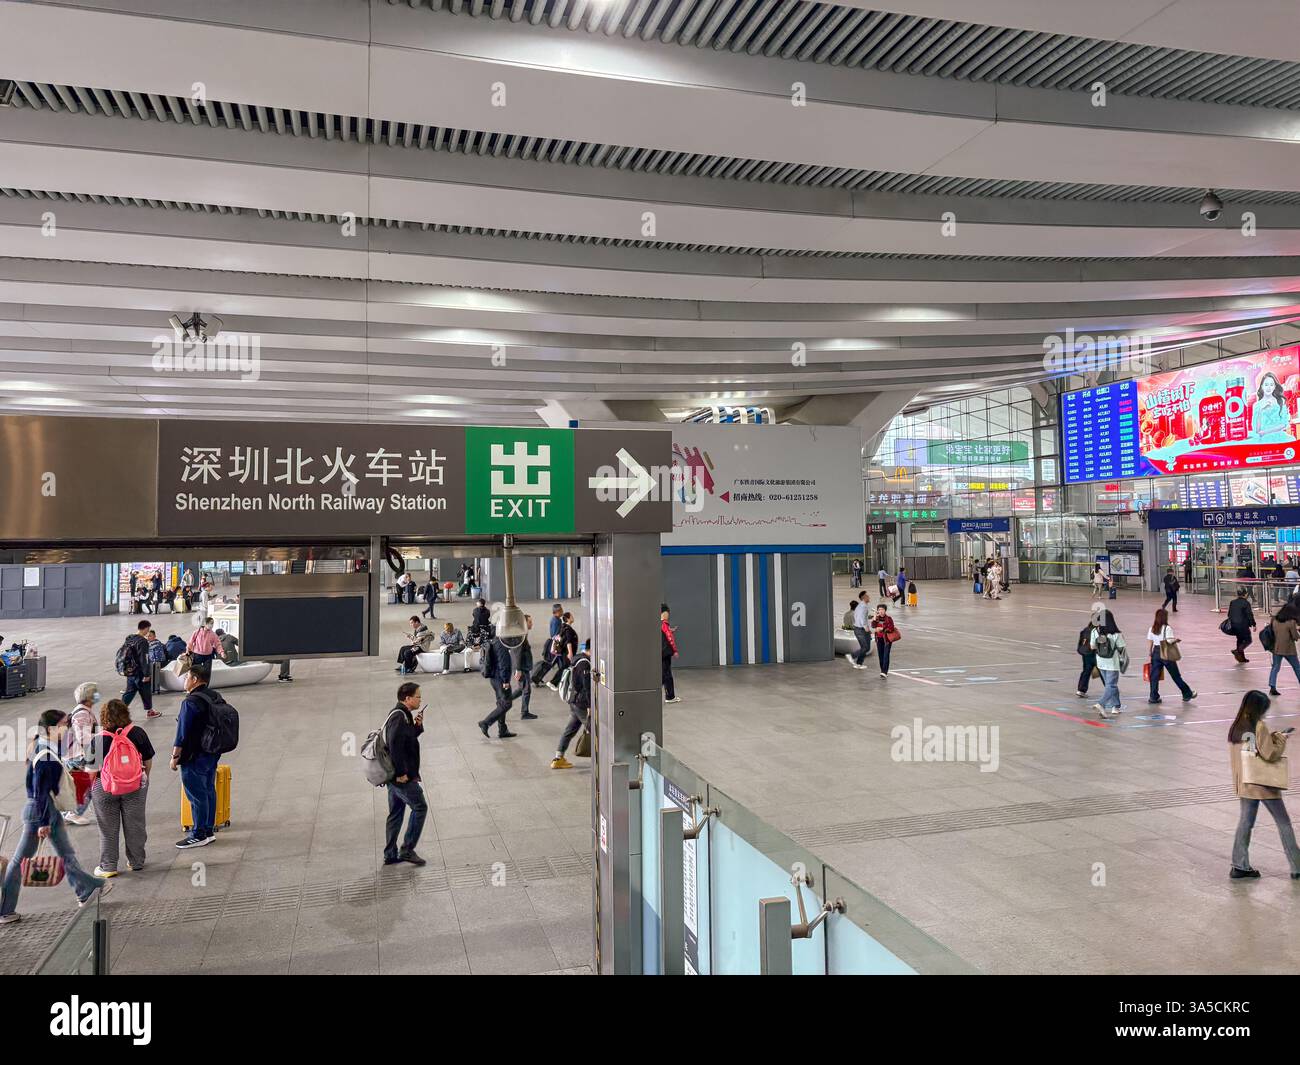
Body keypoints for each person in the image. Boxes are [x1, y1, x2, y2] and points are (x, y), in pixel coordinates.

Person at [0, 710, 111, 925]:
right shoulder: (46, 755)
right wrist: (43, 822)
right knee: (21, 860)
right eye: (62, 724)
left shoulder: (44, 745)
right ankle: (5, 910)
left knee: (65, 854)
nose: (66, 728)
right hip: (40, 813)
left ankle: (87, 890)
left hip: (43, 811)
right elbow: (40, 791)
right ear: (51, 728)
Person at [1227, 690, 1300, 880]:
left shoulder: (1236, 727)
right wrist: (1281, 739)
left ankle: (1239, 865)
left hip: (1246, 783)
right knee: (1283, 823)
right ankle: (1297, 865)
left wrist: (1271, 736)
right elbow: (1269, 754)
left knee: (1245, 823)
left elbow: (1250, 751)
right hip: (1264, 784)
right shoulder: (1258, 726)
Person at [89, 698, 155, 878]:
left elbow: (92, 770)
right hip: (134, 786)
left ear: (103, 717)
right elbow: (147, 760)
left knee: (107, 828)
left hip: (106, 788)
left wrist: (94, 787)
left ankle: (108, 866)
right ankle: (136, 862)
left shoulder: (99, 739)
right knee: (135, 824)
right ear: (126, 713)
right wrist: (144, 779)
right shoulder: (137, 733)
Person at [170, 659, 220, 849]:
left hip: (193, 755)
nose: (185, 680)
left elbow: (182, 733)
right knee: (208, 790)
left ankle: (198, 834)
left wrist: (175, 758)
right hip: (211, 752)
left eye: (187, 677)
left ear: (195, 679)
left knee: (196, 795)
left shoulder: (190, 702)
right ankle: (208, 831)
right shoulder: (214, 696)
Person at [383, 682, 428, 866]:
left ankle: (390, 854)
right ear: (407, 698)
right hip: (401, 776)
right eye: (418, 696)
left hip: (394, 776)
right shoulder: (399, 717)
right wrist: (401, 774)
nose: (420, 700)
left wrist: (417, 726)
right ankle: (407, 850)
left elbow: (405, 739)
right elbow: (394, 745)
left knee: (396, 812)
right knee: (420, 807)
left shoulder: (403, 714)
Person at [551, 639, 592, 770]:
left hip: (573, 701)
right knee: (595, 731)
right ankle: (602, 761)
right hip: (581, 704)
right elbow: (586, 687)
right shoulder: (585, 664)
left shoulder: (577, 658)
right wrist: (590, 706)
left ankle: (558, 758)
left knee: (570, 730)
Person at [63, 681, 100, 826]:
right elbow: (83, 738)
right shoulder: (83, 714)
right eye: (95, 693)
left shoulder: (82, 710)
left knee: (77, 786)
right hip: (80, 756)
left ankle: (67, 812)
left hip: (75, 754)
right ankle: (73, 812)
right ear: (89, 696)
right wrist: (101, 736)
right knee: (88, 786)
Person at [1145, 607, 1196, 705]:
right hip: (1166, 652)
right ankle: (1187, 693)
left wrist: (1150, 653)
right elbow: (1169, 641)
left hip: (1155, 652)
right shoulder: (1167, 628)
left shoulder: (1152, 628)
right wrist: (1176, 640)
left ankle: (1153, 697)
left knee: (1154, 676)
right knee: (1176, 675)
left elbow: (1150, 640)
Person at [476, 630, 520, 740]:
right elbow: (503, 663)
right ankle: (486, 722)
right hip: (500, 679)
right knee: (506, 704)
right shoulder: (501, 645)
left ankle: (502, 729)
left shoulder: (494, 641)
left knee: (501, 703)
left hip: (494, 678)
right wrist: (505, 681)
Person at [1090, 609, 1127, 719]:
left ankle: (1116, 706)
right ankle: (1101, 704)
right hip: (1112, 663)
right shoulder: (1116, 634)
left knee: (1109, 685)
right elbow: (1122, 648)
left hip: (1101, 661)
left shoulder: (1095, 631)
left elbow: (1092, 647)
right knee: (1111, 685)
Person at [120, 618, 159, 720]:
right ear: (145, 628)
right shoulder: (142, 642)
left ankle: (119, 711)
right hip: (140, 672)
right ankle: (150, 712)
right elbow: (144, 658)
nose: (148, 632)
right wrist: (147, 674)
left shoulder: (129, 638)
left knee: (129, 692)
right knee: (146, 691)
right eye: (148, 629)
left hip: (130, 670)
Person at [538, 612, 578, 690]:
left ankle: (560, 683)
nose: (573, 617)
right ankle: (553, 682)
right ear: (568, 619)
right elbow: (569, 641)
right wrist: (570, 653)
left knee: (564, 668)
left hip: (563, 652)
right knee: (564, 668)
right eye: (571, 616)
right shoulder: (568, 629)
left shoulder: (563, 627)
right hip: (566, 653)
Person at [1268, 599, 1300, 696]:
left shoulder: (1274, 620)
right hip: (1289, 649)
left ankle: (1272, 686)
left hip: (1276, 648)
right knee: (1297, 667)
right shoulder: (1291, 622)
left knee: (1275, 667)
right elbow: (1295, 637)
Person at [1075, 608, 1106, 699]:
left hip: (1086, 654)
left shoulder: (1086, 629)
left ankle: (1081, 690)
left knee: (1086, 671)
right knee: (1103, 671)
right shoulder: (1098, 631)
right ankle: (1110, 689)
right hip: (1095, 654)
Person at [531, 604, 564, 686]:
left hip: (555, 645)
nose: (562, 611)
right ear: (557, 612)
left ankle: (538, 678)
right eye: (561, 610)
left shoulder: (556, 619)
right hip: (555, 646)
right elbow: (555, 635)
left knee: (552, 664)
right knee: (549, 664)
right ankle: (536, 678)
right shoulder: (556, 621)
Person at [1227, 586, 1256, 663]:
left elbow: (1229, 614)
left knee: (1239, 640)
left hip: (1234, 625)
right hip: (1242, 625)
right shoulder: (1246, 603)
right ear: (1245, 594)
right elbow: (1249, 614)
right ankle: (1238, 650)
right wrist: (1253, 624)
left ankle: (1241, 658)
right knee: (1248, 640)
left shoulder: (1232, 602)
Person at [518, 614, 538, 720]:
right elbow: (518, 653)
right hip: (523, 667)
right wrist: (518, 669)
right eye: (530, 622)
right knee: (526, 690)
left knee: (522, 689)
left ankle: (505, 702)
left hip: (524, 667)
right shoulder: (522, 636)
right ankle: (524, 712)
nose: (532, 623)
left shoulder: (524, 634)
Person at [846, 591, 871, 670]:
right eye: (867, 596)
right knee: (865, 647)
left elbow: (860, 616)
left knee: (867, 648)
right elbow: (861, 618)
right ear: (864, 598)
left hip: (860, 629)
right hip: (860, 629)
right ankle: (852, 656)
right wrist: (865, 627)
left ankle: (858, 664)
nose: (869, 597)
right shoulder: (863, 606)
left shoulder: (861, 606)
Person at [870, 603, 897, 677]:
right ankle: (882, 670)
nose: (881, 611)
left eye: (882, 609)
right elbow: (873, 625)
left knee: (886, 655)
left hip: (887, 639)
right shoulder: (877, 618)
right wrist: (875, 616)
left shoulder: (889, 618)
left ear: (885, 610)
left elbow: (891, 628)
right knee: (880, 655)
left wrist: (882, 629)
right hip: (879, 639)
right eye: (879, 609)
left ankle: (885, 672)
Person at [661, 604, 680, 703]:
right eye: (667, 613)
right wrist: (675, 651)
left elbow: (664, 633)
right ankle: (670, 697)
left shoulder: (659, 624)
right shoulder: (664, 624)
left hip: (660, 653)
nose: (668, 615)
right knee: (667, 675)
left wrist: (670, 630)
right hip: (665, 653)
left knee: (663, 674)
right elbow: (669, 638)